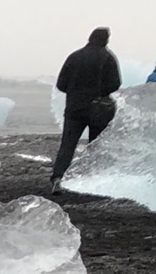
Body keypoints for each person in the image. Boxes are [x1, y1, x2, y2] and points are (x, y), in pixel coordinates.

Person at [49, 26, 122, 189]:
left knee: (67, 145)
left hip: (74, 108)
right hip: (98, 109)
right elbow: (115, 84)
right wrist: (100, 93)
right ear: (105, 39)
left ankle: (58, 177)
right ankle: (91, 178)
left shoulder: (74, 56)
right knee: (95, 145)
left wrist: (75, 93)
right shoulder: (108, 57)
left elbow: (61, 84)